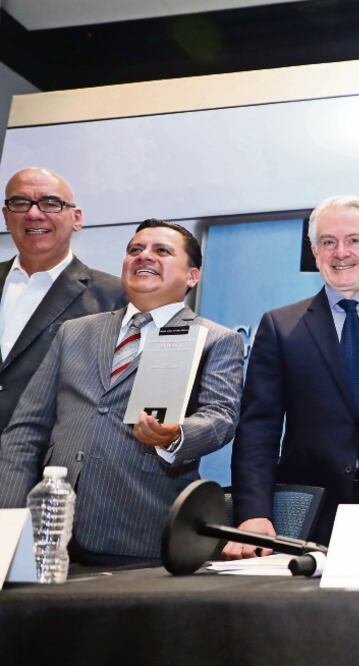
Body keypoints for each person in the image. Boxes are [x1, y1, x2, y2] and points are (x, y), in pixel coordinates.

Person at [0, 219, 244, 566]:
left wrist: (175, 436)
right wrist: (8, 521)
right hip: (49, 534)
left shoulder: (216, 339)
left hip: (140, 535)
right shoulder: (74, 332)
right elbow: (26, 429)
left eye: (162, 251)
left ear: (192, 276)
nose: (144, 256)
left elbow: (220, 417)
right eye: (135, 250)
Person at [225, 196, 359, 557]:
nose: (341, 252)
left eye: (353, 240)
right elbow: (258, 429)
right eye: (328, 242)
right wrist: (253, 514)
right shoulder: (280, 326)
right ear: (314, 251)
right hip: (310, 512)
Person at [1, 167, 125, 431]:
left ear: (76, 218)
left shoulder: (113, 297)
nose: (33, 214)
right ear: (6, 215)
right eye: (20, 203)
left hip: (49, 463)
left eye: (50, 203)